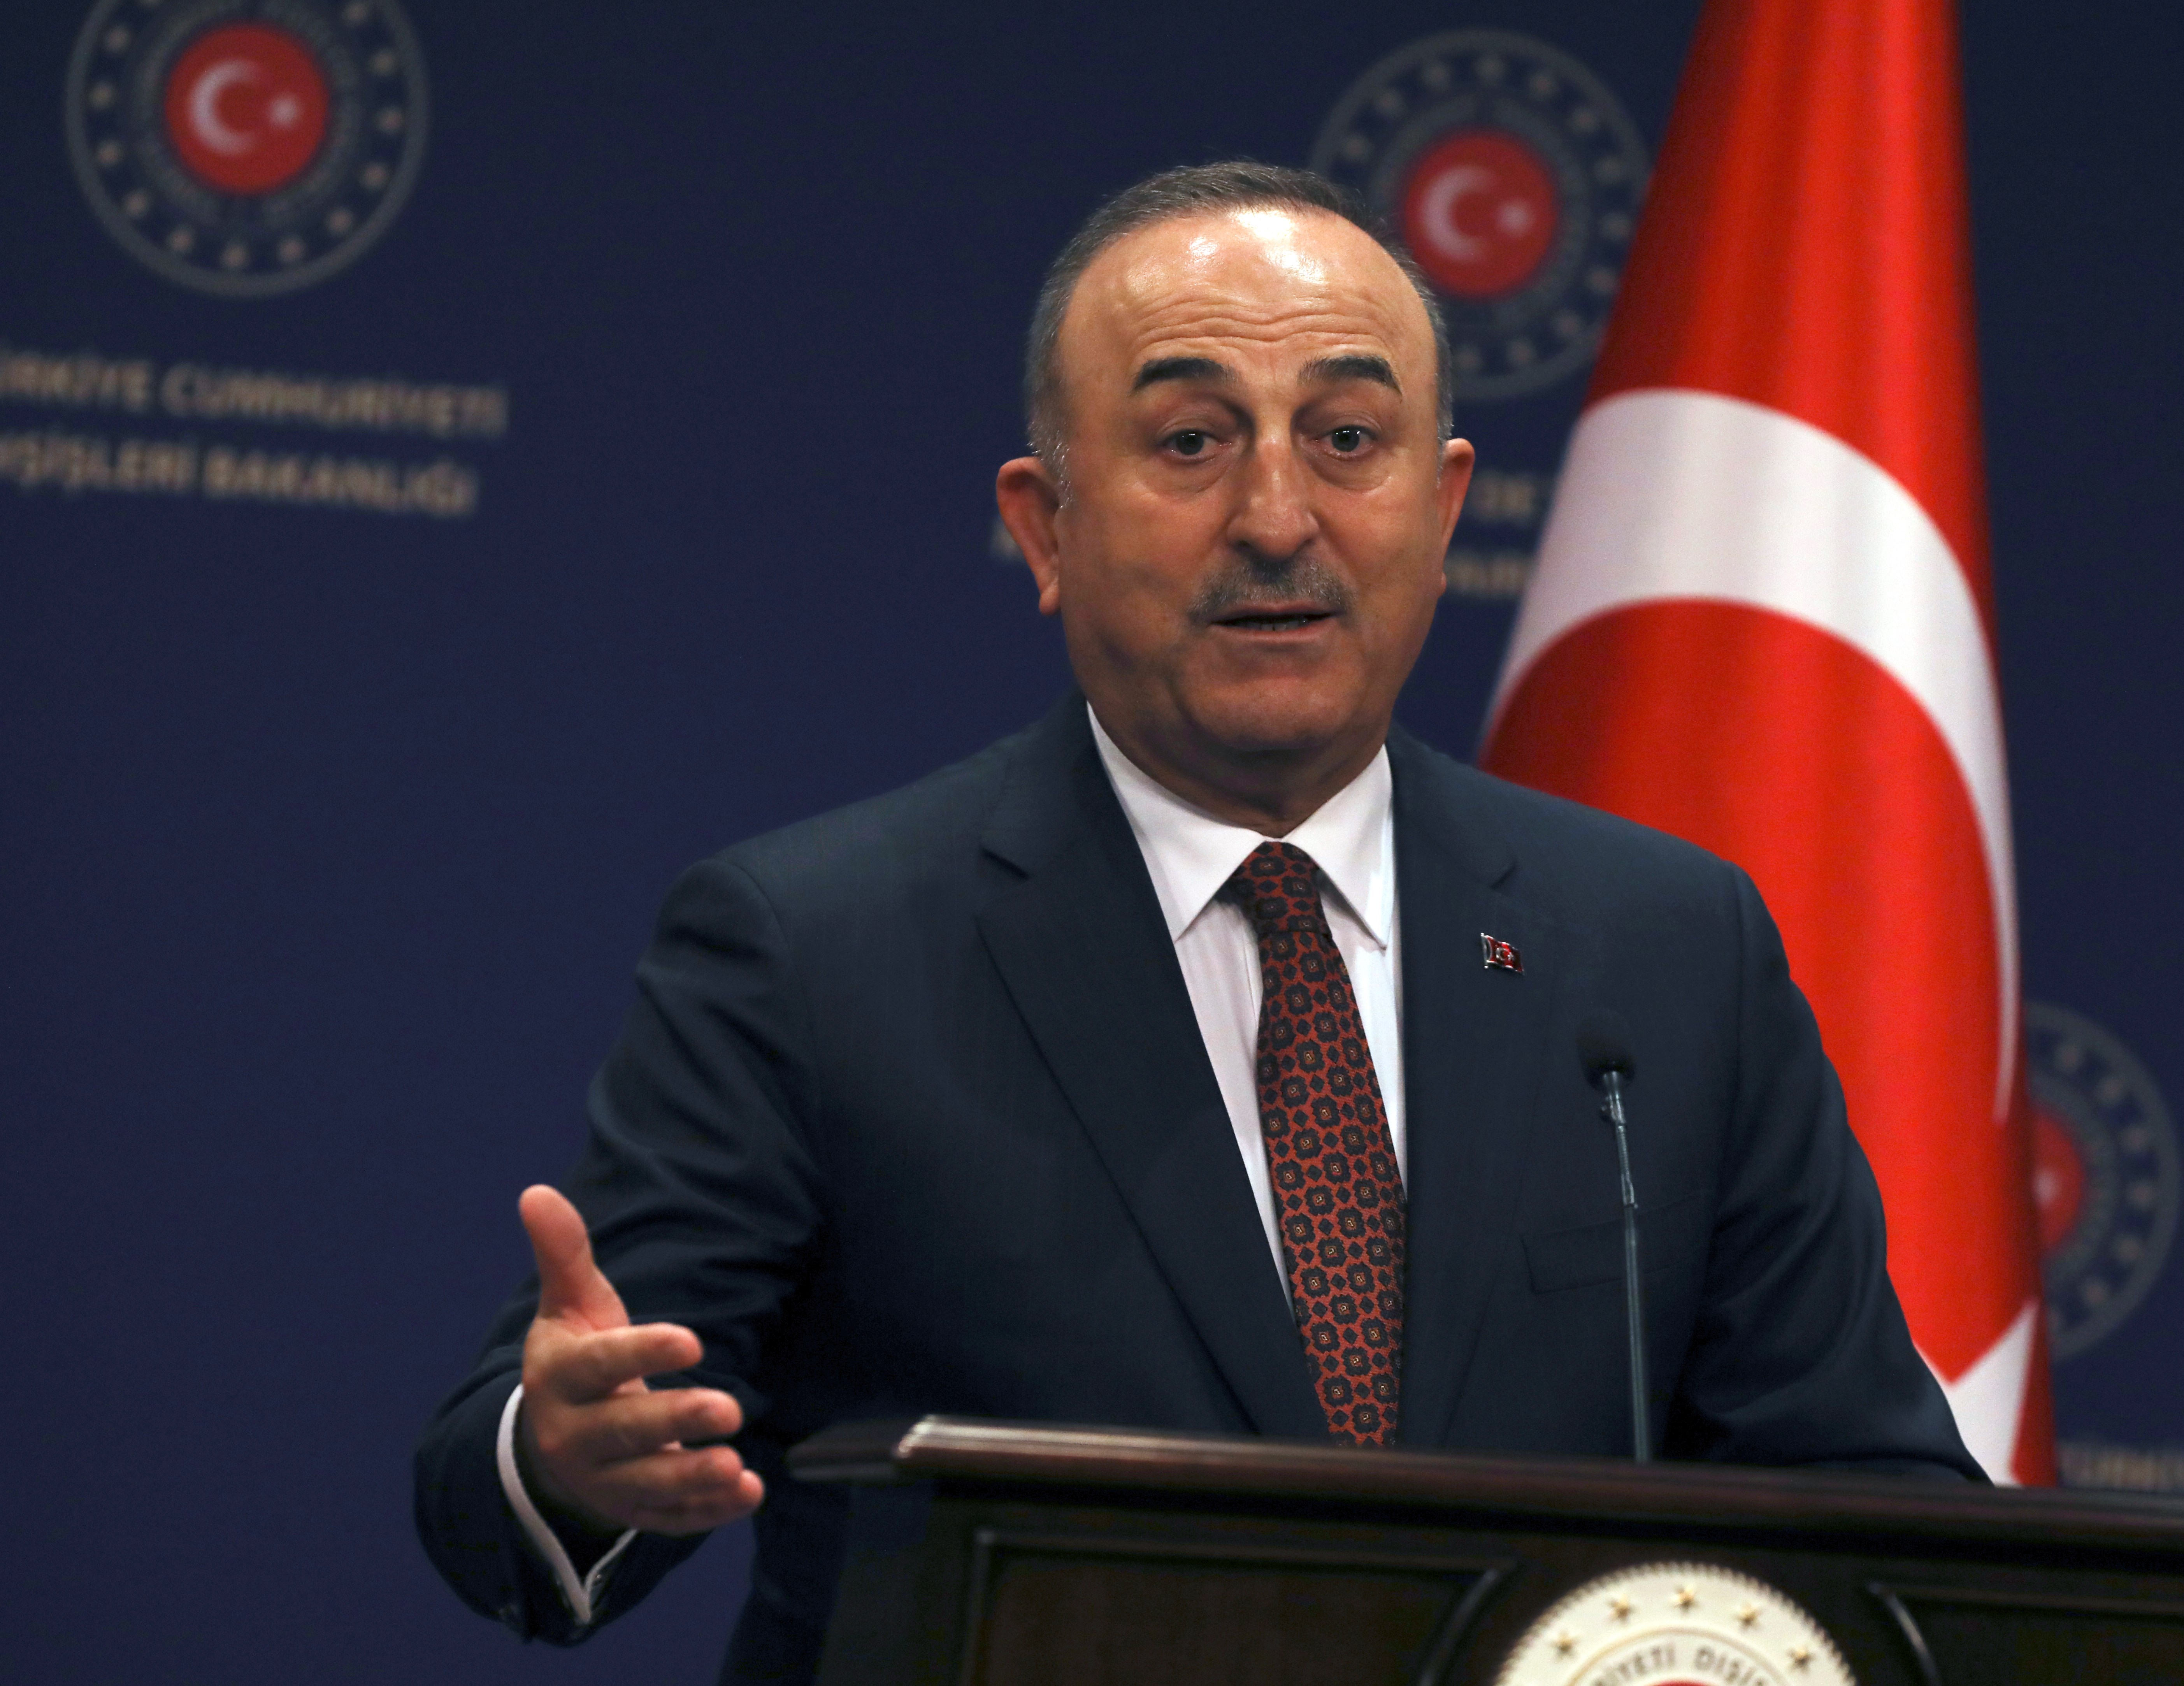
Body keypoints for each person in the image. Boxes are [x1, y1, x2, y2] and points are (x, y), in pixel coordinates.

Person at [414, 162, 1979, 1682]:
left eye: (1348, 438)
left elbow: (1880, 1512)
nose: (1278, 517)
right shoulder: (813, 949)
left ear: (1442, 512)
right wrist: (566, 1457)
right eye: (1189, 442)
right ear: (1044, 527)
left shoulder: (1663, 949)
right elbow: (534, 1479)